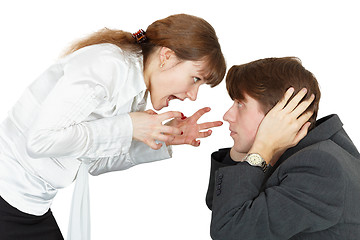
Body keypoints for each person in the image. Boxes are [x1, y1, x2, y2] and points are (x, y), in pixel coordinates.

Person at [0, 14, 227, 240]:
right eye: (196, 79)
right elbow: (40, 140)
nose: (193, 95)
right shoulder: (108, 65)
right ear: (166, 56)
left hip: (29, 206)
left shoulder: (135, 90)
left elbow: (93, 161)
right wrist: (128, 127)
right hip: (7, 195)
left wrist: (162, 137)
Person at [206, 57, 360, 239]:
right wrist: (243, 152)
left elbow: (228, 230)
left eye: (240, 104)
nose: (227, 116)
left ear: (279, 112)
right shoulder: (299, 153)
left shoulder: (320, 167)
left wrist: (261, 148)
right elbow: (219, 205)